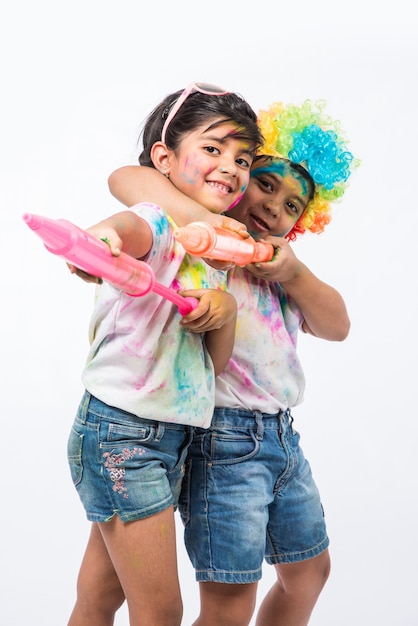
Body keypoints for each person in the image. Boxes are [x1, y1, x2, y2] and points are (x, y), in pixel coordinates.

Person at [72, 98, 358, 625]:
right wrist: (213, 224)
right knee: (179, 600)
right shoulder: (197, 241)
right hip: (210, 438)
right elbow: (129, 181)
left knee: (308, 572)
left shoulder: (274, 267)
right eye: (266, 184)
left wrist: (292, 272)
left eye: (294, 205)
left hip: (258, 435)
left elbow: (338, 324)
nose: (274, 206)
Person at [66, 83, 263, 626]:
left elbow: (211, 368)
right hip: (122, 433)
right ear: (164, 159)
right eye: (214, 149)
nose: (231, 166)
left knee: (101, 599)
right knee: (161, 611)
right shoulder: (160, 221)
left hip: (171, 434)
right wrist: (102, 239)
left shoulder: (219, 248)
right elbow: (128, 227)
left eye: (242, 158)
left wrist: (222, 311)